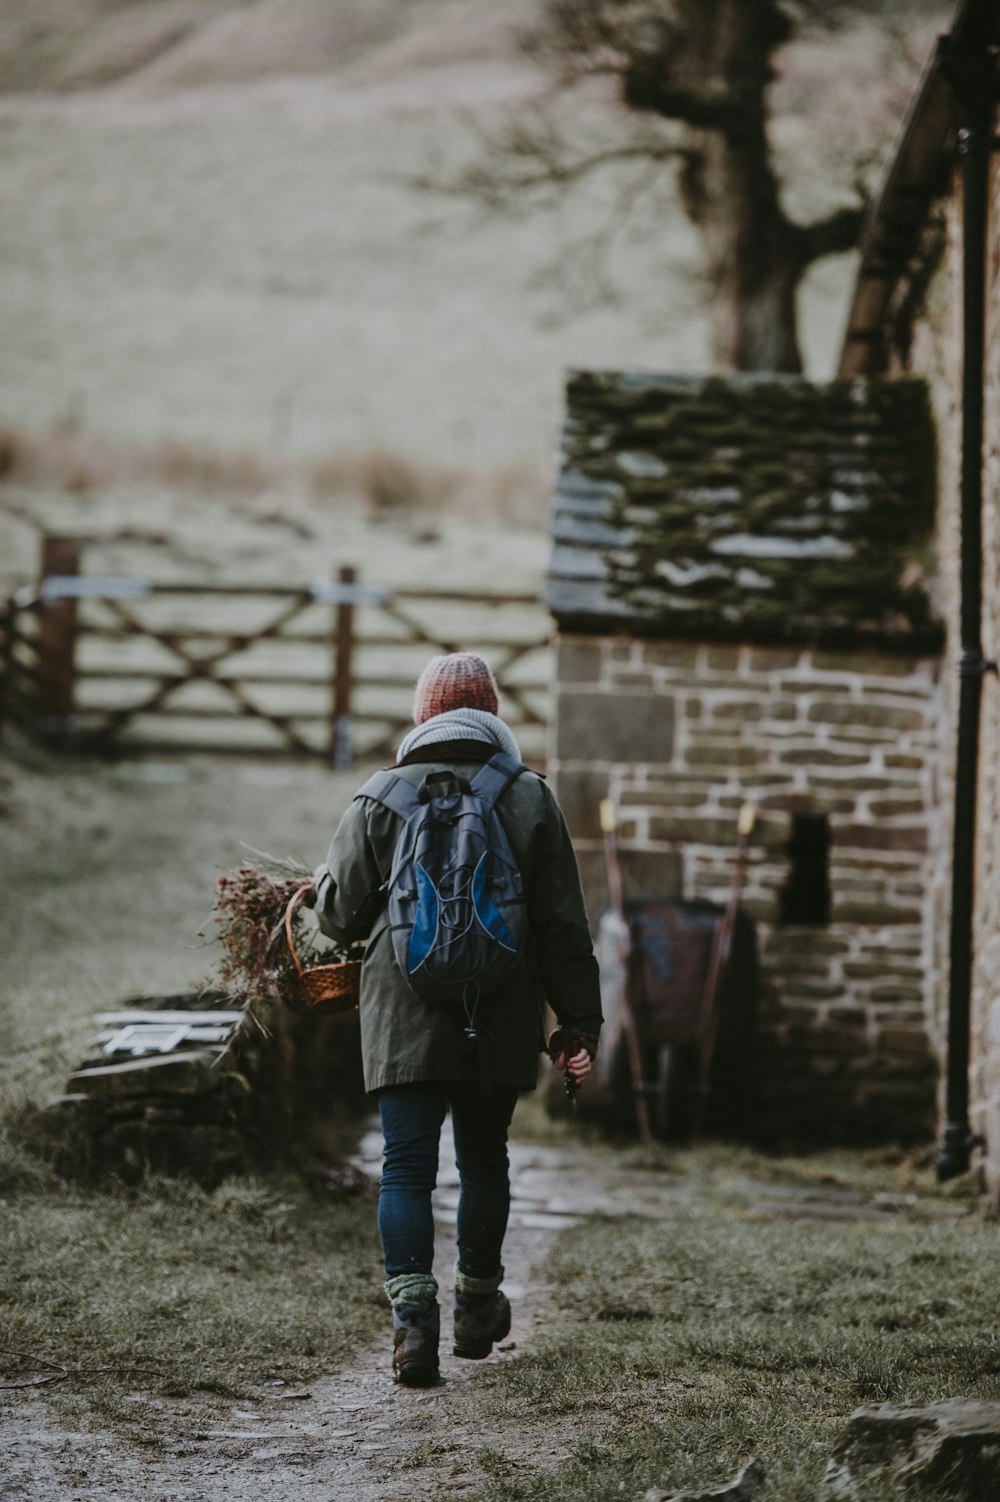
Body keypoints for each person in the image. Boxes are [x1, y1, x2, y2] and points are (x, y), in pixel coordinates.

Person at [308, 651, 602, 1386]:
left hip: (402, 1009)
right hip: (499, 1008)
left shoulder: (379, 795)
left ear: (423, 716)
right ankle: (476, 1307)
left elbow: (337, 917)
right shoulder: (530, 796)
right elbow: (565, 925)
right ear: (492, 715)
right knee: (483, 1162)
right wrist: (577, 1026)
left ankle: (412, 1328)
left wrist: (321, 889)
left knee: (404, 1168)